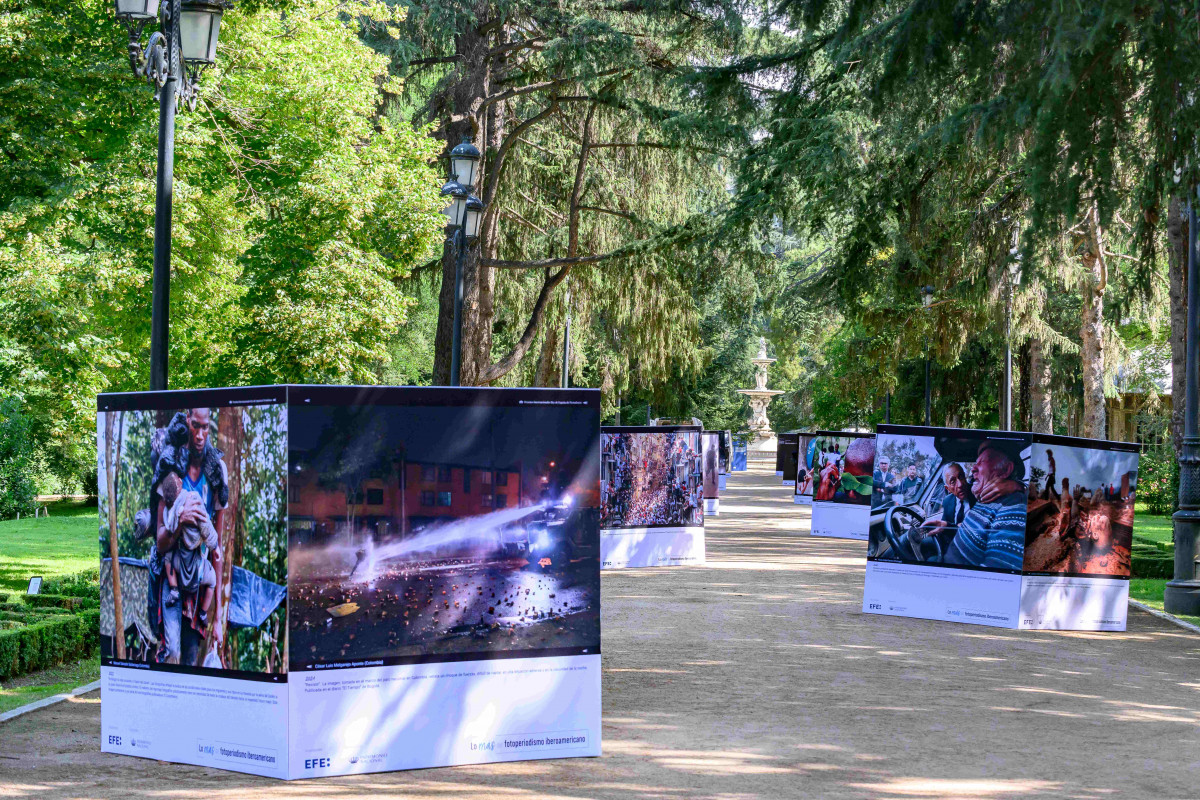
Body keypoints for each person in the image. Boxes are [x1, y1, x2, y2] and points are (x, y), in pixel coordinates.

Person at [151, 407, 228, 666]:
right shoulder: (171, 466)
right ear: (187, 421)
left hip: (197, 575)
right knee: (172, 653)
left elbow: (216, 547)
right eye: (196, 425)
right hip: (172, 570)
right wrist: (179, 521)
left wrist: (216, 616)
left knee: (191, 659)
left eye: (205, 427)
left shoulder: (217, 471)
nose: (200, 434)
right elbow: (160, 540)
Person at [943, 441, 1027, 571]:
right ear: (947, 488)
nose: (973, 469)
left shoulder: (1012, 507)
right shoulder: (982, 497)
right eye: (953, 482)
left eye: (982, 462)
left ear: (1006, 470)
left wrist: (1017, 485)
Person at [159, 472, 221, 628]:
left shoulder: (172, 510)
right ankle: (203, 611)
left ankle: (174, 589)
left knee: (167, 558)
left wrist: (179, 518)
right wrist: (215, 546)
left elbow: (171, 528)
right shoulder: (193, 499)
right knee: (212, 580)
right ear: (180, 482)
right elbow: (206, 525)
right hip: (198, 566)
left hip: (182, 559)